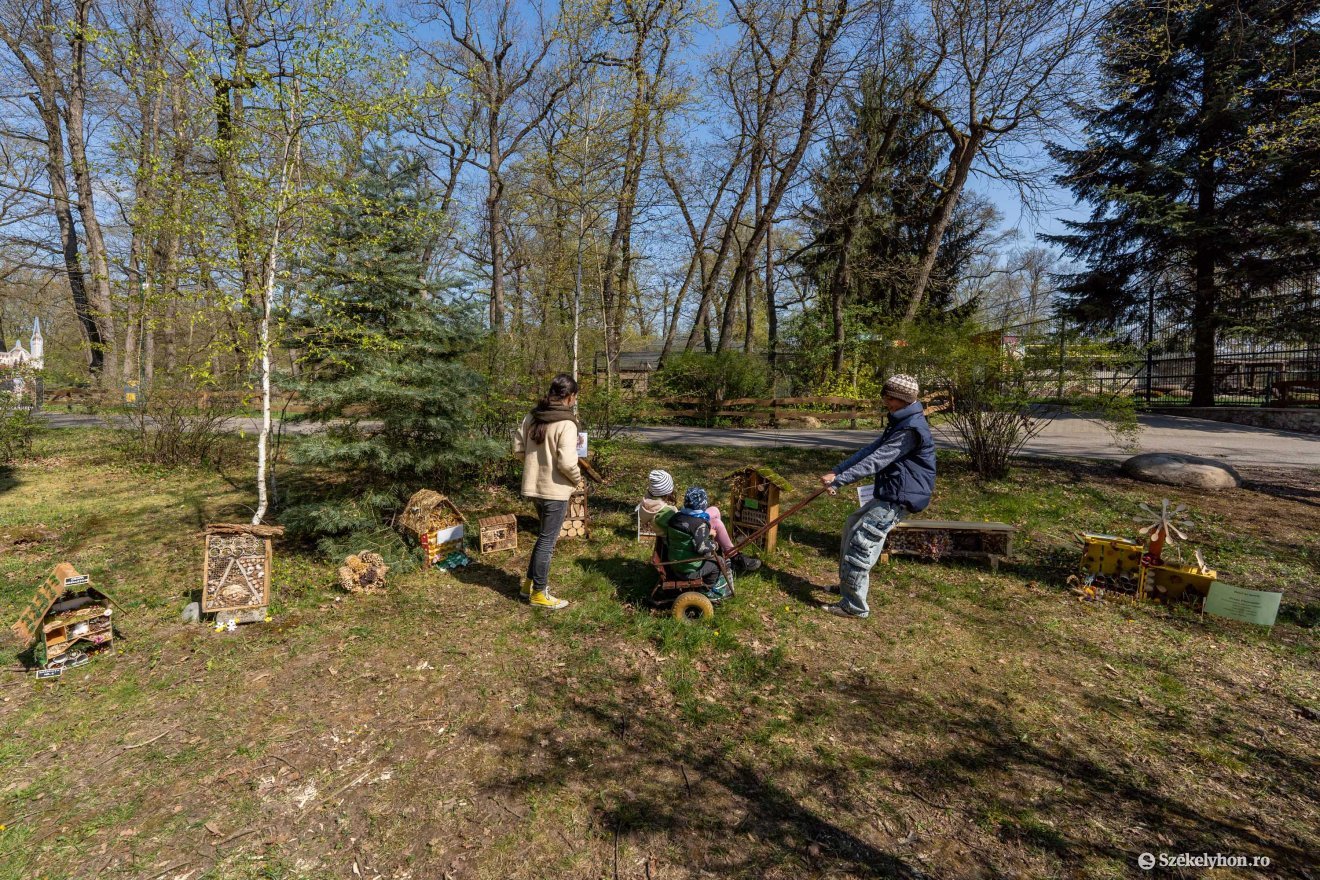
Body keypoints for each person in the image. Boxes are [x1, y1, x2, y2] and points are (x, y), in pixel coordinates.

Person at [818, 374, 936, 619]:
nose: (886, 402)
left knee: (862, 542)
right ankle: (848, 586)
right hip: (891, 490)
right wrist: (838, 470)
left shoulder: (911, 429)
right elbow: (871, 449)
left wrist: (839, 481)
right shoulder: (901, 420)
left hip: (898, 497)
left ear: (902, 399)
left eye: (889, 398)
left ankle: (854, 606)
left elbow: (877, 461)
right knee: (852, 526)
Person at [514, 373, 585, 610]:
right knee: (548, 541)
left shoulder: (532, 415)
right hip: (554, 490)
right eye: (574, 397)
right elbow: (566, 463)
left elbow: (517, 447)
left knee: (543, 537)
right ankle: (539, 594)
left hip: (533, 488)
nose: (574, 402)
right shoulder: (566, 423)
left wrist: (534, 464)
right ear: (569, 397)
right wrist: (576, 478)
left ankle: (528, 585)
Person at [639, 472, 760, 572]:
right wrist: (707, 532)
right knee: (717, 524)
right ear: (666, 490)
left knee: (715, 510)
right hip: (685, 537)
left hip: (683, 526)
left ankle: (724, 550)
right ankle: (734, 557)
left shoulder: (649, 503)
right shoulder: (664, 514)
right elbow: (682, 527)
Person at [655, 487, 732, 596]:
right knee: (718, 562)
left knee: (710, 556)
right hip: (688, 570)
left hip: (674, 563)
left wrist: (706, 533)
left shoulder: (675, 518)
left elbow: (685, 536)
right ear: (703, 505)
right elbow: (701, 548)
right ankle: (707, 589)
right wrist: (714, 545)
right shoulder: (700, 524)